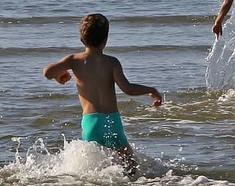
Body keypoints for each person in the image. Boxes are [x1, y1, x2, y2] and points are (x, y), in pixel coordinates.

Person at [43, 13, 162, 175]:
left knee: (91, 168)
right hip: (110, 121)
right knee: (130, 164)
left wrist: (59, 76)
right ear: (105, 39)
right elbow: (127, 88)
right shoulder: (111, 62)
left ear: (81, 38)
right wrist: (151, 90)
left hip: (90, 122)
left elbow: (47, 72)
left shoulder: (73, 60)